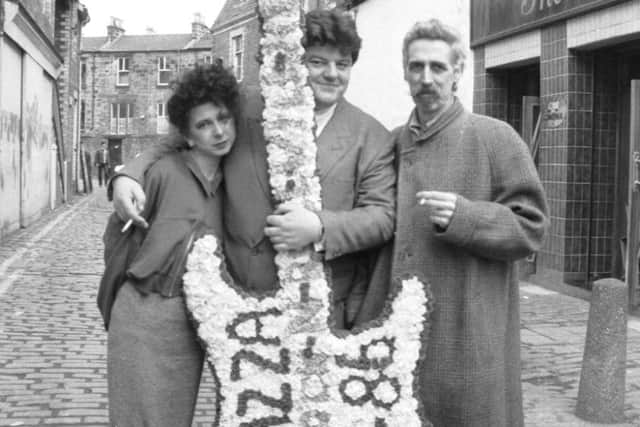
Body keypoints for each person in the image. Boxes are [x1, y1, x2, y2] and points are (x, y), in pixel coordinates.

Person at [110, 9, 395, 329]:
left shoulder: (371, 137)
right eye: (317, 62)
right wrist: (129, 173)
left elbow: (382, 217)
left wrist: (320, 228)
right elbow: (184, 136)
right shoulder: (243, 110)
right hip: (236, 307)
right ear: (295, 61)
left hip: (318, 313)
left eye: (342, 64)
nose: (332, 74)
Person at [390, 19, 549, 426]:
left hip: (469, 340)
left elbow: (532, 228)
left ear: (458, 72)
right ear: (405, 71)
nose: (427, 78)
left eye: (438, 67)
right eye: (417, 66)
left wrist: (467, 216)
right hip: (395, 337)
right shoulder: (389, 143)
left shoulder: (496, 137)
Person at [106, 63, 239, 427]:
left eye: (223, 119)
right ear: (188, 135)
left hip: (197, 321)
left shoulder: (238, 179)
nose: (218, 131)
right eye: (204, 124)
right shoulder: (162, 172)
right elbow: (117, 243)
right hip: (145, 316)